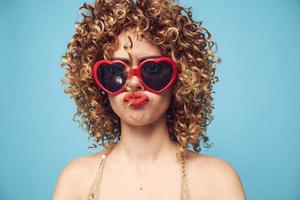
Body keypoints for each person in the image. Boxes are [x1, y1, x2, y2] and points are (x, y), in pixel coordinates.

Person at [52, 0, 246, 199]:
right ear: (98, 83)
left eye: (152, 69)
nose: (134, 83)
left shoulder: (217, 181)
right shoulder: (76, 180)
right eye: (116, 71)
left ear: (181, 79)